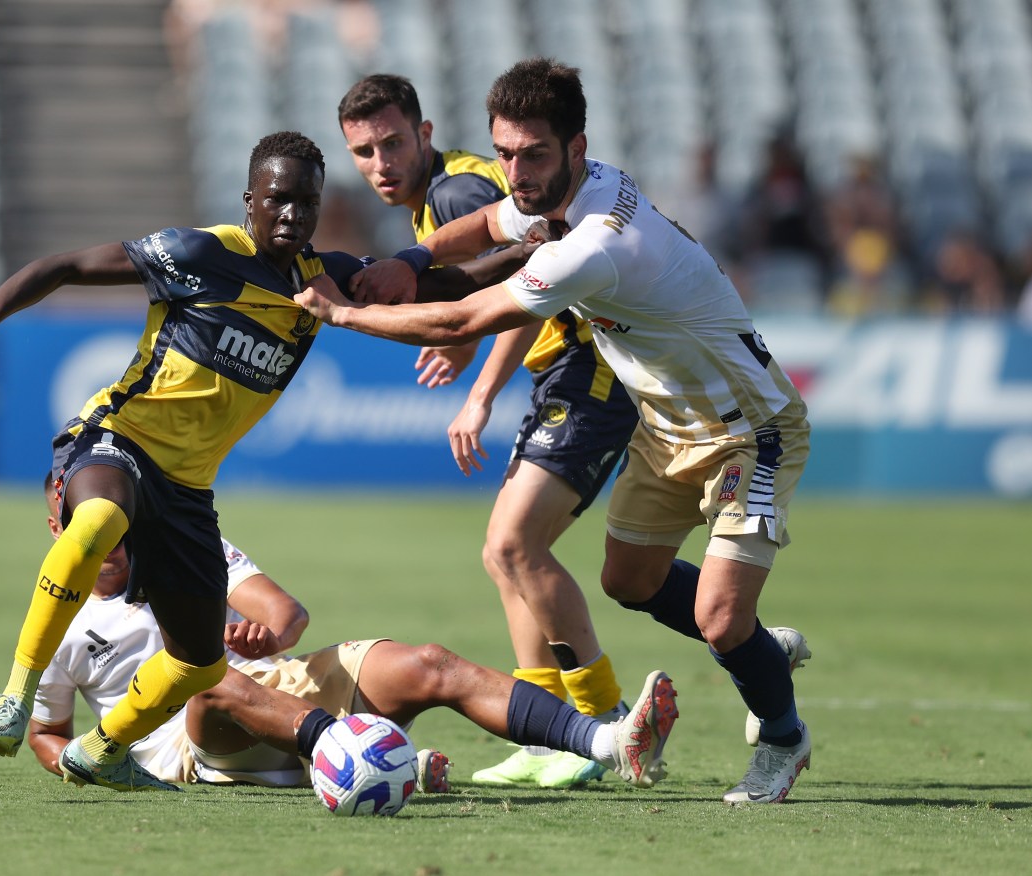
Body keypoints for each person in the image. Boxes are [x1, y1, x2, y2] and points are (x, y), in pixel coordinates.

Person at [0, 130, 580, 792]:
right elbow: (64, 267)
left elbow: (441, 282)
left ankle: (102, 747)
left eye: (307, 203)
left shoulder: (319, 283)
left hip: (185, 486)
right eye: (279, 199)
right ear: (249, 201)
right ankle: (14, 699)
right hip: (117, 437)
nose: (293, 215)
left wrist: (527, 254)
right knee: (94, 523)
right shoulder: (199, 253)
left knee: (199, 662)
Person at [298, 58, 815, 805]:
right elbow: (485, 225)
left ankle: (780, 736)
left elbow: (463, 319)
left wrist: (344, 314)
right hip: (664, 427)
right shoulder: (568, 187)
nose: (514, 170)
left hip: (749, 430)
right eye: (504, 151)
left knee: (715, 615)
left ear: (576, 147)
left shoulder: (596, 241)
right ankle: (753, 653)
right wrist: (412, 257)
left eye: (532, 154)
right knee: (625, 581)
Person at [337, 73, 641, 789]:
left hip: (585, 366)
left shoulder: (455, 193)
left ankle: (604, 722)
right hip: (561, 377)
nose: (381, 163)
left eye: (391, 143)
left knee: (512, 546)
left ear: (424, 135)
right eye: (363, 151)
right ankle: (545, 731)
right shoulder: (437, 204)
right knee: (507, 556)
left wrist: (476, 391)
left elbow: (534, 279)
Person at [26, 473, 680, 791]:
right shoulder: (56, 623)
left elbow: (286, 615)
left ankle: (605, 740)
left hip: (276, 685)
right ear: (60, 531)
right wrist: (87, 764)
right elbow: (45, 731)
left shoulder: (191, 551)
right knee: (202, 677)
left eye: (116, 524)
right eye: (91, 528)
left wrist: (269, 636)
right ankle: (355, 754)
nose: (110, 541)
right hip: (201, 745)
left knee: (429, 663)